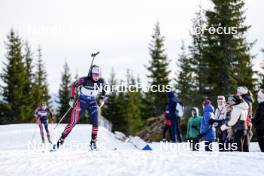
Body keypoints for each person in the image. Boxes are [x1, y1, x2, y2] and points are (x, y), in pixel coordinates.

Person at [54, 65, 107, 150]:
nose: (96, 77)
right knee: (73, 123)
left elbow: (105, 88)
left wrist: (102, 98)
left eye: (98, 74)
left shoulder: (102, 81)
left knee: (96, 123)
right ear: (91, 73)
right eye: (94, 74)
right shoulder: (84, 80)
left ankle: (93, 143)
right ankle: (60, 141)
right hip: (81, 102)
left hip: (92, 102)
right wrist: (71, 98)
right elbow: (72, 86)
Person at [237, 86, 253, 152]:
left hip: (245, 124)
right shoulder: (246, 99)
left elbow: (245, 114)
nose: (237, 93)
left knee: (244, 146)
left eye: (238, 91)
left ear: (242, 92)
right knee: (244, 145)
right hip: (246, 124)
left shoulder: (246, 101)